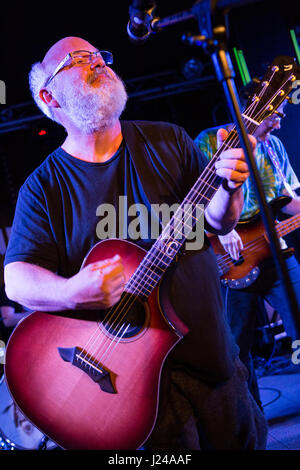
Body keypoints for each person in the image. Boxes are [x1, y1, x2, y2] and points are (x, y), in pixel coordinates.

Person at [4, 36, 267, 450]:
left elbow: (218, 220)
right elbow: (16, 281)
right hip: (127, 384)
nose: (97, 62)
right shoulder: (43, 188)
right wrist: (71, 291)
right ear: (48, 95)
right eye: (77, 59)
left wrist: (232, 186)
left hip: (211, 358)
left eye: (98, 55)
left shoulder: (169, 141)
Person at [194, 89, 300, 409]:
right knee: (236, 347)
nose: (279, 124)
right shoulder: (210, 142)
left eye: (282, 115)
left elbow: (287, 199)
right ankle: (249, 420)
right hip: (227, 260)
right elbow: (192, 199)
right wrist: (220, 227)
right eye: (275, 115)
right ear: (253, 107)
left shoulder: (274, 146)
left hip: (273, 252)